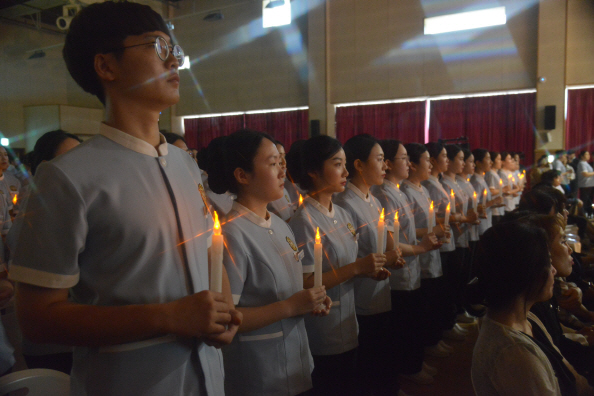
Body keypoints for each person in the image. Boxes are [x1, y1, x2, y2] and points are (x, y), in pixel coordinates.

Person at [9, 2, 241, 395]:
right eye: (158, 48)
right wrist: (167, 317)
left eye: (175, 50)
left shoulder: (185, 164)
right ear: (106, 66)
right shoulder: (67, 177)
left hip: (208, 378)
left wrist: (220, 314)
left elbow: (205, 257)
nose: (176, 61)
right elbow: (37, 320)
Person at [207, 129, 329, 396]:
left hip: (296, 357)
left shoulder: (280, 225)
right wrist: (290, 306)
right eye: (272, 163)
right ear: (242, 175)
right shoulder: (231, 235)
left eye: (281, 162)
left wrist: (310, 299)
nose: (282, 170)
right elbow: (228, 318)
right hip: (259, 371)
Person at [289, 135, 389, 396]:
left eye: (345, 164)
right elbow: (307, 282)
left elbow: (348, 264)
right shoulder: (304, 221)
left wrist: (369, 270)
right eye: (337, 164)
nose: (346, 172)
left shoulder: (343, 215)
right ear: (312, 170)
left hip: (349, 319)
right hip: (322, 328)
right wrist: (357, 268)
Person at [472, 221, 592, 396]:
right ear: (529, 272)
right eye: (548, 262)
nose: (554, 271)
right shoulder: (514, 355)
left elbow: (569, 373)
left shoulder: (527, 318)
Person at [10, 129, 82, 374]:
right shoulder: (37, 209)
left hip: (80, 337)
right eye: (68, 159)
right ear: (45, 167)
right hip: (55, 346)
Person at [373, 140, 441, 388]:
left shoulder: (398, 191)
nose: (408, 164)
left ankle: (413, 364)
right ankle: (408, 367)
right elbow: (392, 243)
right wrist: (421, 247)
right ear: (389, 164)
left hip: (410, 268)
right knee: (403, 327)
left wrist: (426, 237)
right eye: (403, 158)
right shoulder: (384, 195)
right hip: (399, 275)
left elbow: (405, 232)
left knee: (413, 321)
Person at [334, 134, 398, 393]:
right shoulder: (346, 204)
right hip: (359, 299)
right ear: (359, 165)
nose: (386, 166)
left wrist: (394, 255)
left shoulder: (372, 199)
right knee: (367, 364)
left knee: (381, 356)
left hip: (378, 291)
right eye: (380, 160)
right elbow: (347, 258)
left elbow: (386, 243)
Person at [267, 140, 295, 221]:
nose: (283, 162)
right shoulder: (266, 195)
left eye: (284, 157)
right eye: (277, 160)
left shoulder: (282, 188)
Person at [485, 151, 506, 226]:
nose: (501, 162)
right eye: (498, 159)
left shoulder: (495, 173)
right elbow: (491, 191)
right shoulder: (491, 174)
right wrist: (504, 190)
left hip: (498, 208)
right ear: (492, 161)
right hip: (494, 210)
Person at [577, 151, 594, 217]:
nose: (588, 155)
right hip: (585, 185)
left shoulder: (585, 163)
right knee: (585, 201)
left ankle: (589, 214)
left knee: (589, 202)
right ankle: (583, 215)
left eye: (589, 154)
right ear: (582, 156)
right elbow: (585, 174)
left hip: (590, 184)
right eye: (586, 154)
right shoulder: (582, 163)